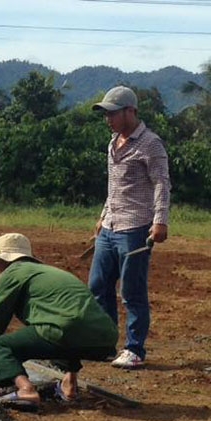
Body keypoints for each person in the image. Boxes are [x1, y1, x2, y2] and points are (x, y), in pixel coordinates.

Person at [0, 233, 118, 411]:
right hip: (105, 338)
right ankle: (69, 385)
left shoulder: (12, 273)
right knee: (60, 332)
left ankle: (26, 391)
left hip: (65, 330)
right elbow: (75, 319)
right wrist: (2, 364)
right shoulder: (50, 273)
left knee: (0, 346)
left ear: (2, 260)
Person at [89, 85, 171, 369]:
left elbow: (161, 183)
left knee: (132, 291)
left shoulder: (150, 144)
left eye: (112, 113)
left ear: (130, 111)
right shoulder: (112, 144)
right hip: (110, 225)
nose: (108, 119)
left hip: (136, 227)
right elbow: (114, 187)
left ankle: (134, 349)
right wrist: (102, 215)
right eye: (105, 114)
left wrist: (160, 220)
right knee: (98, 286)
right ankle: (105, 342)